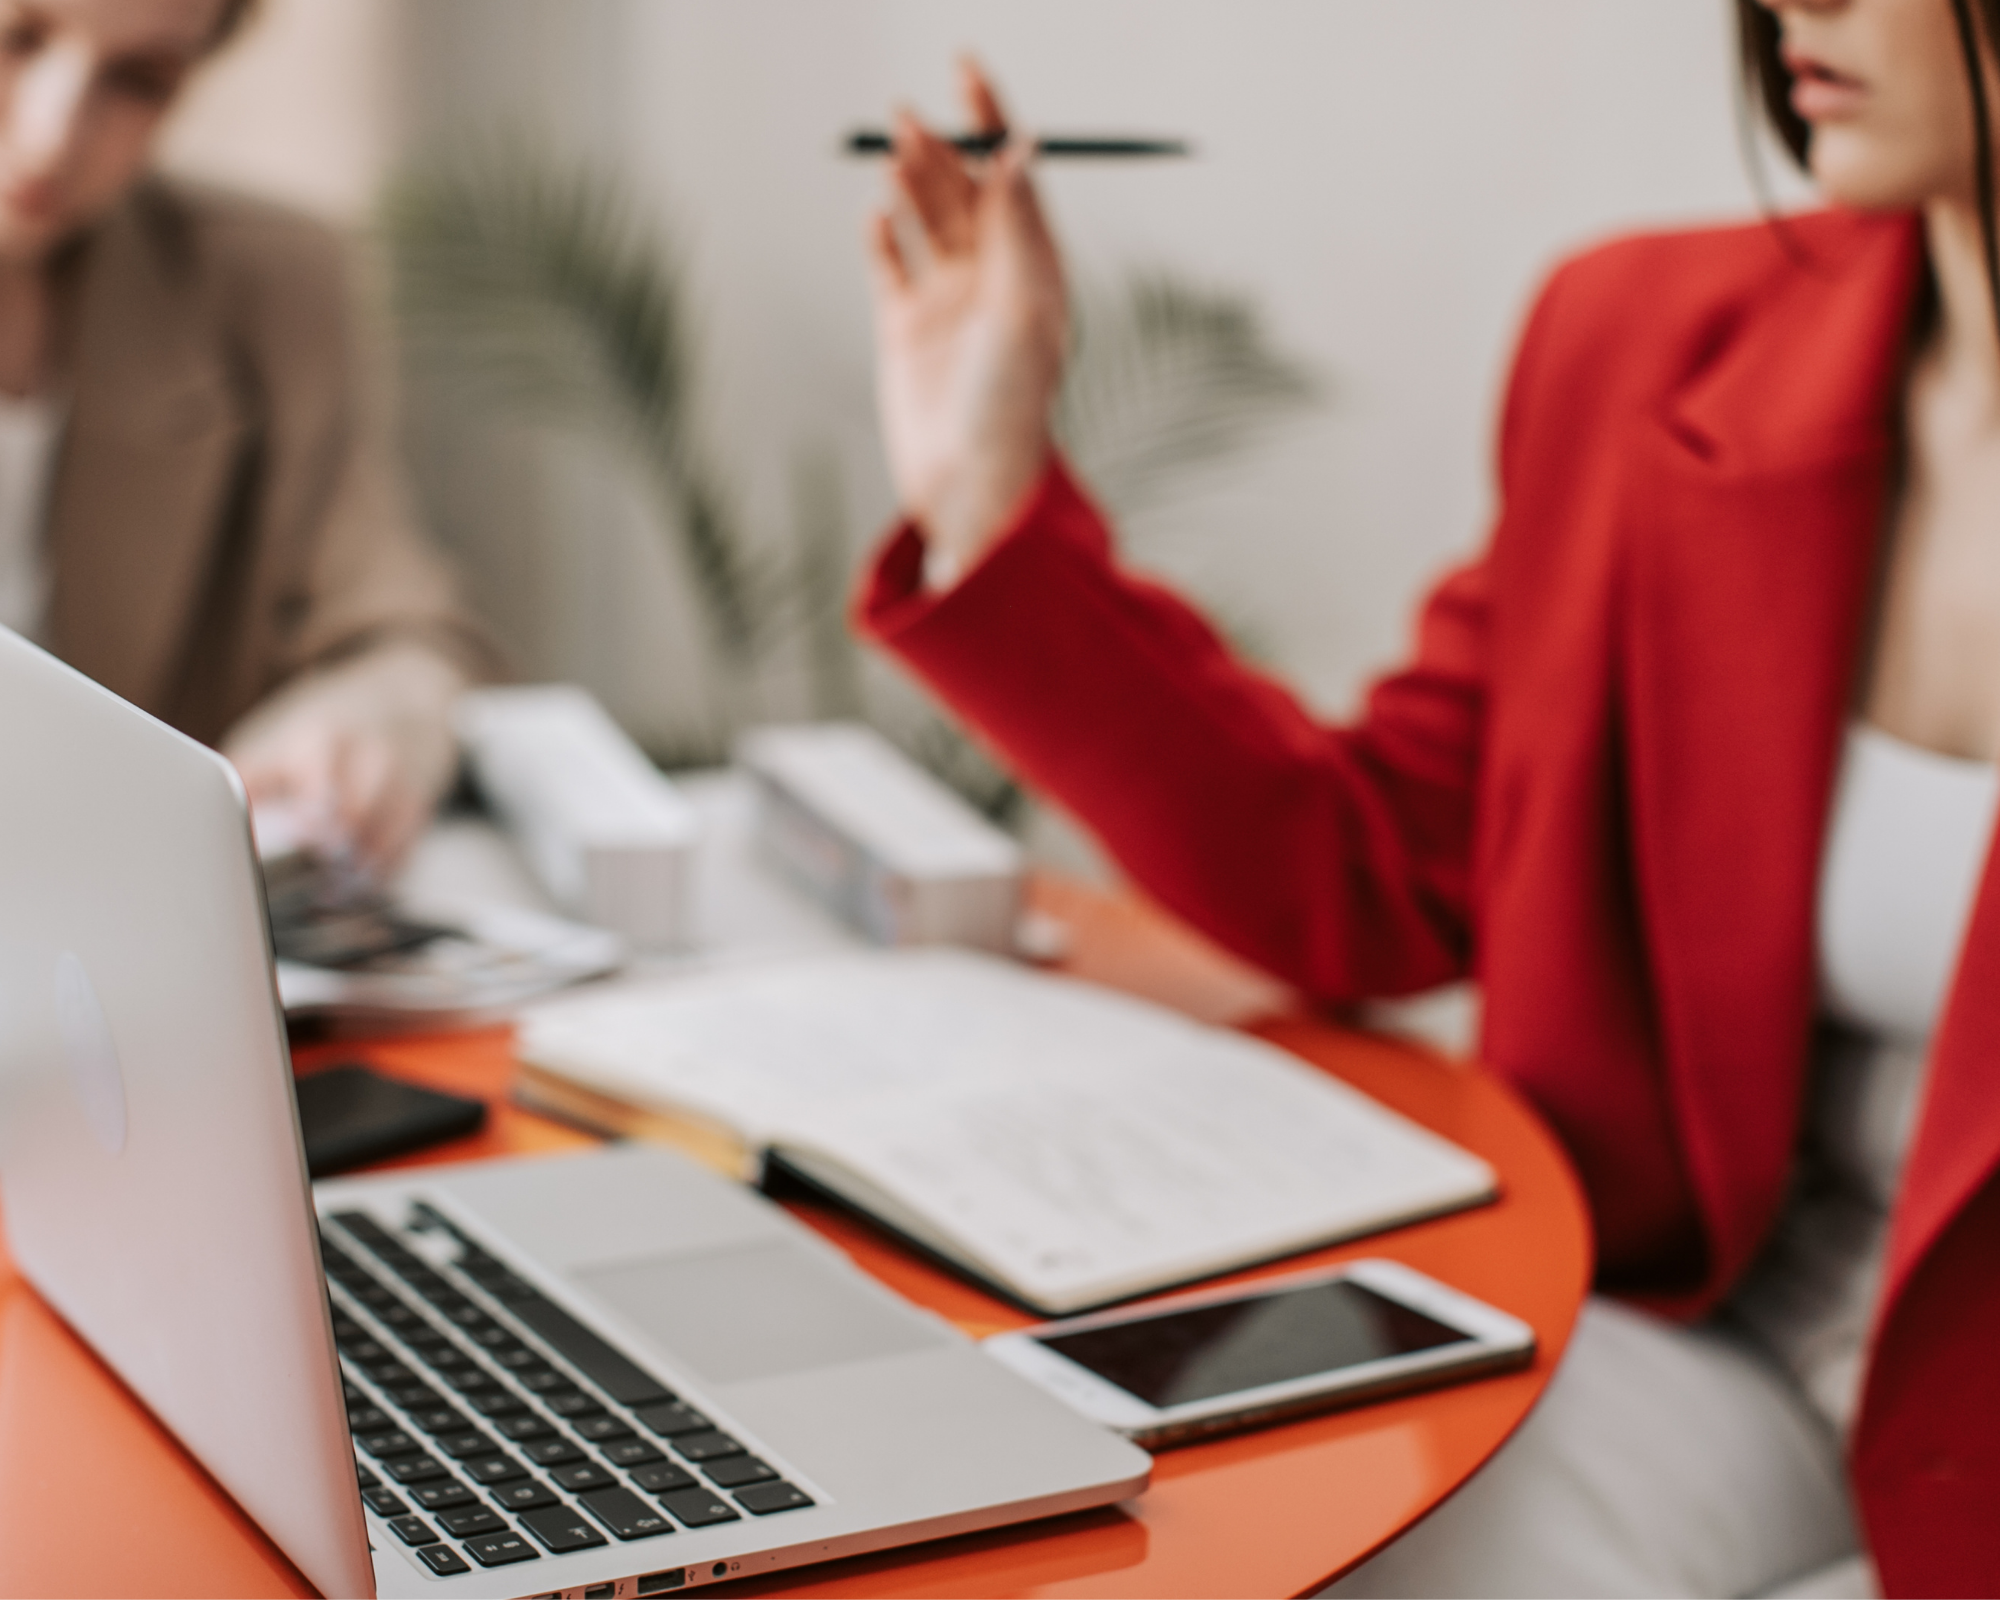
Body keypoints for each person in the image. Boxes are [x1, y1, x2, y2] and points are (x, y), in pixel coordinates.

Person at [854, 2, 2000, 1594]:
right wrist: (984, 487)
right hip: (1712, 1338)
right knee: (1178, 1547)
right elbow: (1371, 860)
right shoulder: (1645, 342)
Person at [0, 0, 494, 875]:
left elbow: (406, 635)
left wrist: (359, 726)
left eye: (141, 81)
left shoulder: (270, 287)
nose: (50, 138)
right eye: (14, 38)